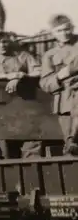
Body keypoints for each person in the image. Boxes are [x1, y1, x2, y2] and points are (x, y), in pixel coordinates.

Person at [0, 30, 43, 158]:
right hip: (2, 109)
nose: (2, 45)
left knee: (31, 143)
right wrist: (7, 76)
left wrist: (21, 76)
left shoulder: (22, 56)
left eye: (5, 41)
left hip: (25, 107)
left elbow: (39, 71)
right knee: (6, 148)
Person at [39, 14, 78, 156]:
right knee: (72, 146)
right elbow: (45, 84)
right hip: (67, 106)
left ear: (72, 28)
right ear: (52, 33)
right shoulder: (50, 55)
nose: (64, 33)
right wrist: (62, 75)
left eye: (67, 29)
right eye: (59, 30)